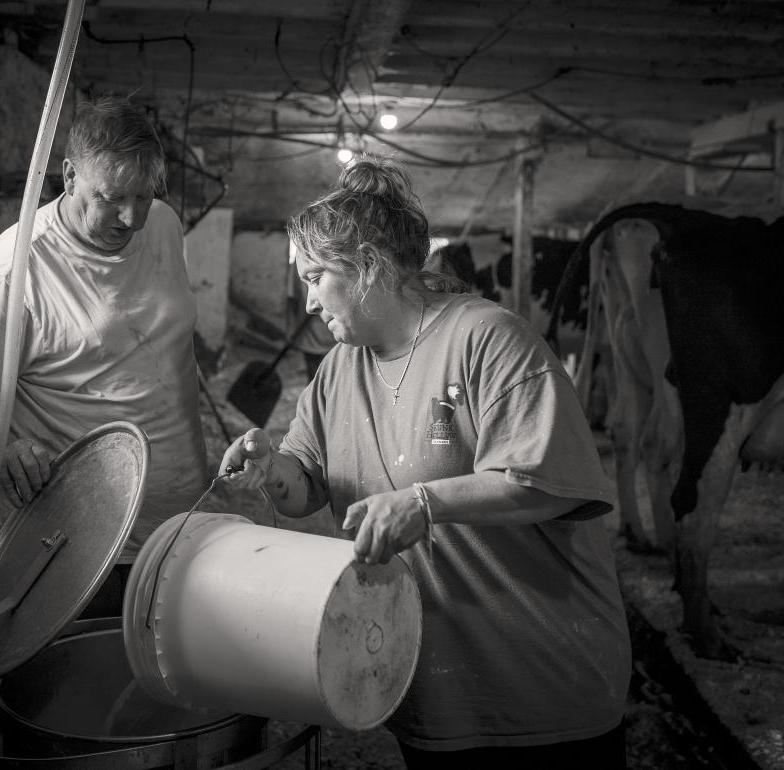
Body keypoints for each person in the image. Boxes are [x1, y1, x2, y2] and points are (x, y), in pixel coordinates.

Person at [218, 156, 631, 769]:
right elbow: (306, 486)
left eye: (314, 277)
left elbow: (554, 486)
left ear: (367, 266)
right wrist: (269, 468)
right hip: (433, 688)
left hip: (539, 682)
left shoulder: (489, 340)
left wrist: (424, 502)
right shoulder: (339, 368)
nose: (306, 301)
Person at [0, 94, 208, 615]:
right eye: (111, 197)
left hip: (177, 524)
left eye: (144, 196)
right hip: (78, 539)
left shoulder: (164, 225)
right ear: (68, 174)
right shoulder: (15, 271)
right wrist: (5, 450)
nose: (131, 217)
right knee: (77, 687)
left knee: (161, 688)